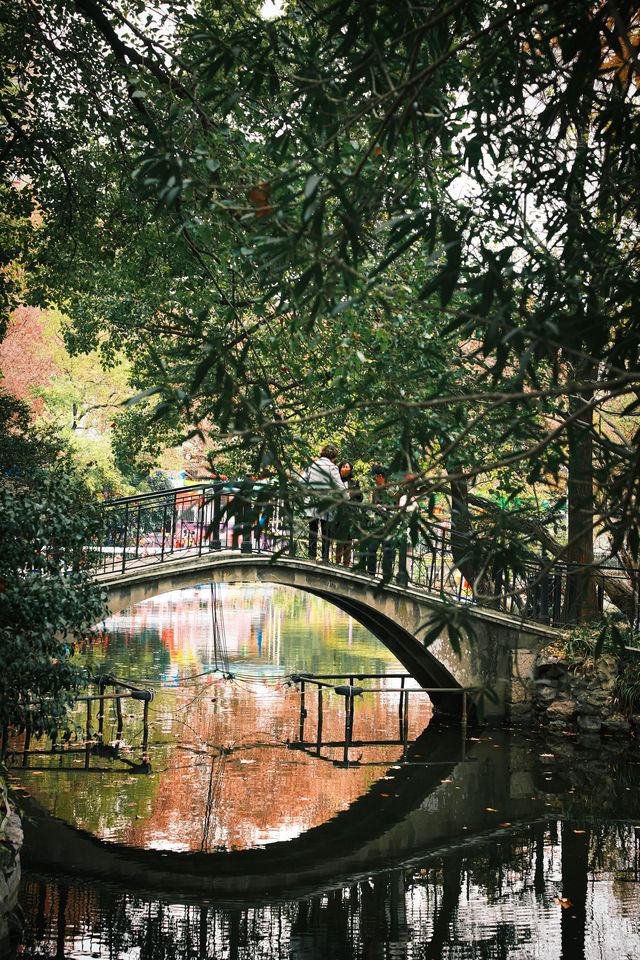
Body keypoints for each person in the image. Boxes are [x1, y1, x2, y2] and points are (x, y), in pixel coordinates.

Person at [301, 443, 347, 562]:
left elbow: (301, 481)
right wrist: (346, 498)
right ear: (333, 457)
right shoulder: (332, 467)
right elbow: (339, 485)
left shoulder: (312, 465)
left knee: (312, 530)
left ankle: (311, 556)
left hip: (311, 503)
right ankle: (325, 557)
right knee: (326, 531)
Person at [365, 464, 397, 578]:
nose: (373, 480)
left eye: (374, 477)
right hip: (376, 525)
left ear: (380, 476)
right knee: (371, 549)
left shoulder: (392, 490)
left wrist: (383, 508)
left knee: (388, 551)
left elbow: (395, 508)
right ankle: (371, 574)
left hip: (389, 526)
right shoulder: (375, 490)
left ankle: (386, 576)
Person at [334, 461, 363, 566]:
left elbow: (360, 498)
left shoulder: (354, 483)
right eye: (344, 466)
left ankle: (347, 563)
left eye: (348, 467)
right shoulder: (336, 481)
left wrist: (353, 493)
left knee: (349, 539)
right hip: (338, 513)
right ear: (340, 469)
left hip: (350, 514)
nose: (346, 468)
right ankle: (337, 561)